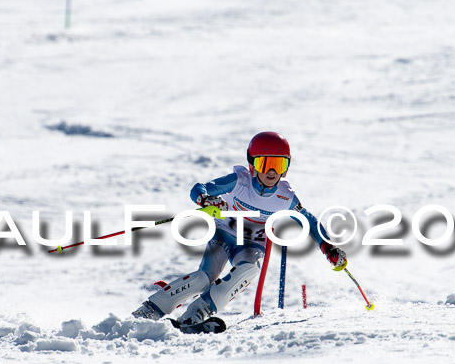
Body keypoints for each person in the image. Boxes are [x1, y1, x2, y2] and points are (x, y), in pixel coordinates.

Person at [132, 131, 348, 325]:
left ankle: (197, 312)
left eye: (279, 165)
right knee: (204, 278)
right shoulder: (239, 181)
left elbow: (308, 221)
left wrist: (328, 247)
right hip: (225, 234)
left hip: (252, 243)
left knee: (248, 270)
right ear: (252, 164)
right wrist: (205, 199)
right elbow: (199, 188)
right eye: (265, 164)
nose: (272, 172)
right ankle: (152, 308)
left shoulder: (286, 196)